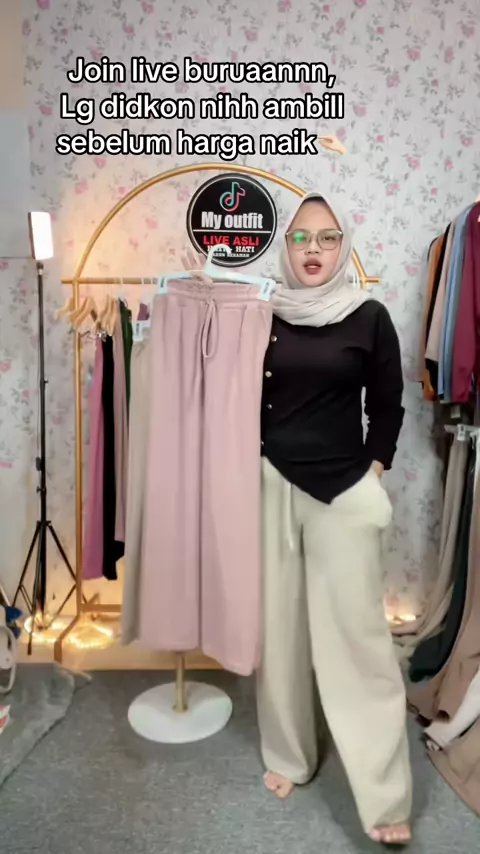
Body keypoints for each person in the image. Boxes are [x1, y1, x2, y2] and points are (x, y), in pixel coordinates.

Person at [257, 192, 413, 845]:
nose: (313, 249)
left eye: (326, 237)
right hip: (271, 485)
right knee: (280, 632)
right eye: (300, 238)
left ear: (343, 246)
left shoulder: (368, 315)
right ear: (285, 248)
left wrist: (372, 470)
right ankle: (289, 754)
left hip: (344, 489)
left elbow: (389, 403)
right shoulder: (261, 312)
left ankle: (385, 798)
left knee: (361, 643)